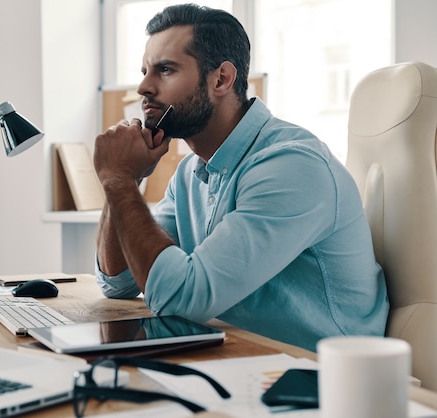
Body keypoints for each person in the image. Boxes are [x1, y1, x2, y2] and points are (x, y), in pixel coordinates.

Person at [92, 3, 388, 351]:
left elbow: (180, 297)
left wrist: (118, 179)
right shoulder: (190, 172)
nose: (143, 87)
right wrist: (129, 177)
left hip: (319, 379)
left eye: (165, 70)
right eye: (144, 71)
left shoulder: (291, 166)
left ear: (221, 79)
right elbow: (118, 281)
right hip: (238, 358)